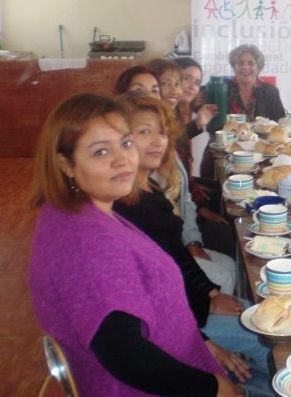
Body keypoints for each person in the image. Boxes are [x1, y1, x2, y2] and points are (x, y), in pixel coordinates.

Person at [28, 93, 246, 396]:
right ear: (66, 164)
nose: (122, 159)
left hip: (176, 355)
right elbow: (125, 356)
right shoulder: (86, 241)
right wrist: (212, 388)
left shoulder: (82, 211)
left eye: (126, 143)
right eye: (101, 151)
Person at [114, 94, 236, 294]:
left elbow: (173, 240)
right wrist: (211, 298)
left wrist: (192, 242)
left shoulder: (151, 185)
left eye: (162, 133)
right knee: (222, 274)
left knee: (229, 264)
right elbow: (161, 260)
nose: (157, 141)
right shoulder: (130, 197)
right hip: (154, 279)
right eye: (145, 132)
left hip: (173, 252)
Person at [227, 44, 285, 121]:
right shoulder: (223, 89)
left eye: (251, 63)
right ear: (234, 67)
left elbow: (280, 124)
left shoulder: (271, 92)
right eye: (241, 63)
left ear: (258, 68)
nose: (246, 67)